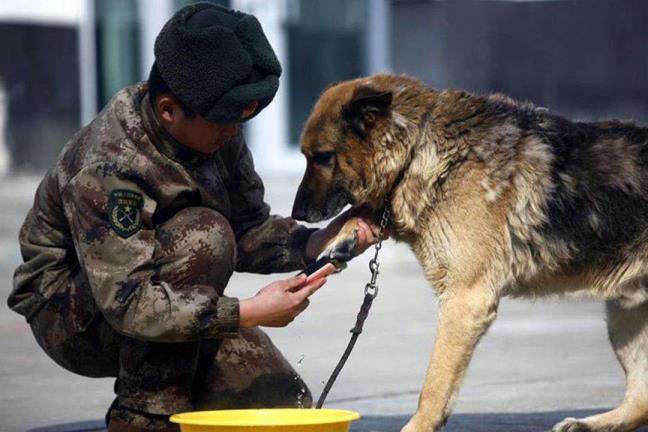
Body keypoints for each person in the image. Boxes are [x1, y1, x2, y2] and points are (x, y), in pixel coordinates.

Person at [8, 3, 378, 431]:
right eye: (223, 122)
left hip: (167, 292)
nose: (232, 133)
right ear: (168, 110)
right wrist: (248, 313)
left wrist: (315, 243)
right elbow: (127, 303)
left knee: (279, 401)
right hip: (76, 314)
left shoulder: (216, 131)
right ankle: (145, 415)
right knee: (205, 235)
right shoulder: (110, 166)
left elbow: (248, 228)